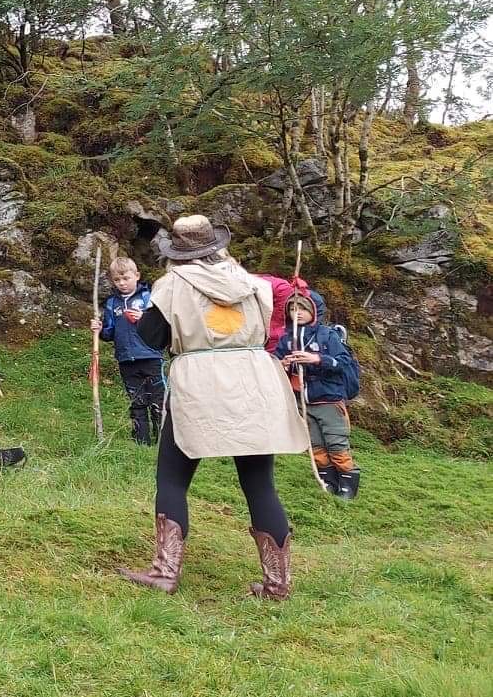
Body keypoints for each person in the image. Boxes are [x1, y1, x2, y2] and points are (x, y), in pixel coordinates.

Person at [116, 215, 309, 601]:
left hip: (201, 383)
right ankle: (278, 585)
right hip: (253, 382)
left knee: (172, 478)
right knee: (259, 484)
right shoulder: (253, 284)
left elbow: (153, 338)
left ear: (178, 252)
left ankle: (164, 573)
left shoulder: (171, 285)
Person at [274, 294, 361, 499]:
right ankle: (327, 479)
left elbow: (342, 362)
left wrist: (316, 359)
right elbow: (275, 362)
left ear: (314, 311)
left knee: (335, 441)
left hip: (328, 399)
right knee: (315, 443)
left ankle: (347, 482)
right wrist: (282, 365)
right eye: (293, 309)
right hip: (303, 401)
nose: (298, 314)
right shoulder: (287, 339)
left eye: (303, 309)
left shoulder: (327, 335)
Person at [91, 257, 166, 446]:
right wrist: (99, 330)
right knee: (136, 400)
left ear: (137, 276)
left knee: (158, 399)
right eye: (117, 280)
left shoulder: (149, 298)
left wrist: (144, 318)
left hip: (151, 356)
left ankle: (163, 439)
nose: (122, 283)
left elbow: (162, 324)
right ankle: (141, 440)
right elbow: (109, 333)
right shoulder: (111, 304)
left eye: (126, 278)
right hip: (126, 359)